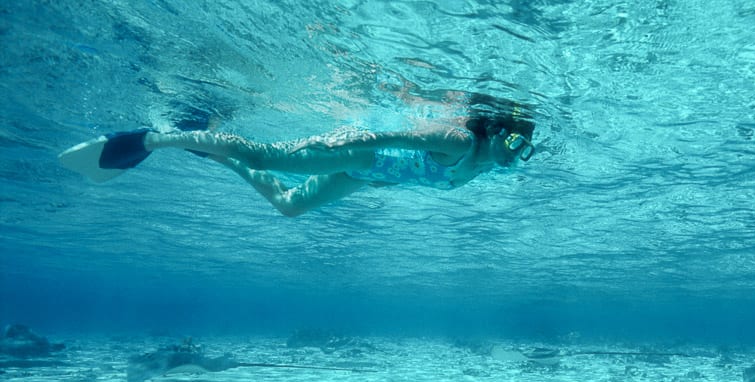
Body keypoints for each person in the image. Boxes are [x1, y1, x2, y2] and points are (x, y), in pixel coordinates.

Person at [58, 98, 536, 217]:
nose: (515, 155)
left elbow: (418, 173)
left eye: (524, 151)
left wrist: (382, 179)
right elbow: (401, 136)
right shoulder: (459, 142)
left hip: (367, 175)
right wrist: (349, 140)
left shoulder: (488, 163)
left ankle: (204, 143)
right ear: (496, 130)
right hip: (358, 153)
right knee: (267, 158)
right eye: (514, 142)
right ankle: (150, 140)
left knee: (288, 206)